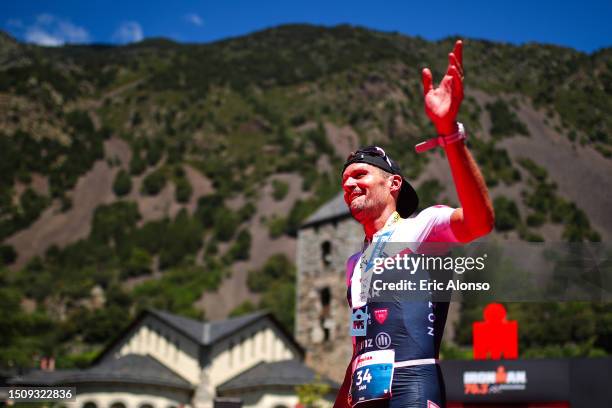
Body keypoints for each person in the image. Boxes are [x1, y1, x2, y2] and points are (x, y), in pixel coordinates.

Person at [334, 40, 494, 408]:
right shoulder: (354, 266)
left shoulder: (423, 228)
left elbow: (479, 222)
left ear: (394, 183)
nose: (348, 183)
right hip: (364, 395)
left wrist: (450, 134)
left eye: (359, 173)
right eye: (344, 179)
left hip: (414, 389)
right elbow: (359, 347)